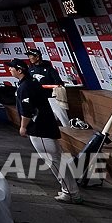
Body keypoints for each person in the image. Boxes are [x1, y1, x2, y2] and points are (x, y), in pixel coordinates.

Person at [8, 58, 82, 203]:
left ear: (19, 70)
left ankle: (71, 193)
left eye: (12, 68)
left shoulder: (26, 86)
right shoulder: (29, 82)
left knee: (54, 161)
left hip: (40, 128)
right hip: (44, 126)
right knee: (56, 160)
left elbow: (28, 111)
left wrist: (23, 127)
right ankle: (70, 191)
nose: (10, 70)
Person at [26, 47, 71, 127]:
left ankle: (69, 131)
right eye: (29, 56)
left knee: (62, 118)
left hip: (51, 97)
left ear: (37, 57)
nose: (30, 58)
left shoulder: (49, 69)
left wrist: (44, 86)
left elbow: (59, 84)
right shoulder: (30, 70)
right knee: (41, 118)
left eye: (31, 56)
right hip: (39, 98)